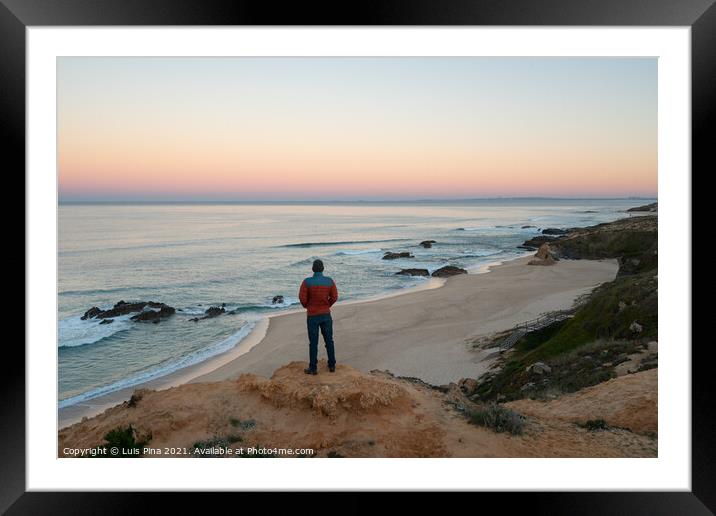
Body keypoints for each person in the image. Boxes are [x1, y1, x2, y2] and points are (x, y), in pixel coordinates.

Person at [298, 259, 338, 375]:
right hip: (326, 315)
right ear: (323, 269)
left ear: (312, 269)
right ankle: (332, 365)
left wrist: (308, 306)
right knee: (329, 340)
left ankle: (313, 368)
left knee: (313, 343)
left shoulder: (307, 282)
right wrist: (327, 305)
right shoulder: (329, 281)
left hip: (312, 316)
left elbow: (302, 298)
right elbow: (335, 296)